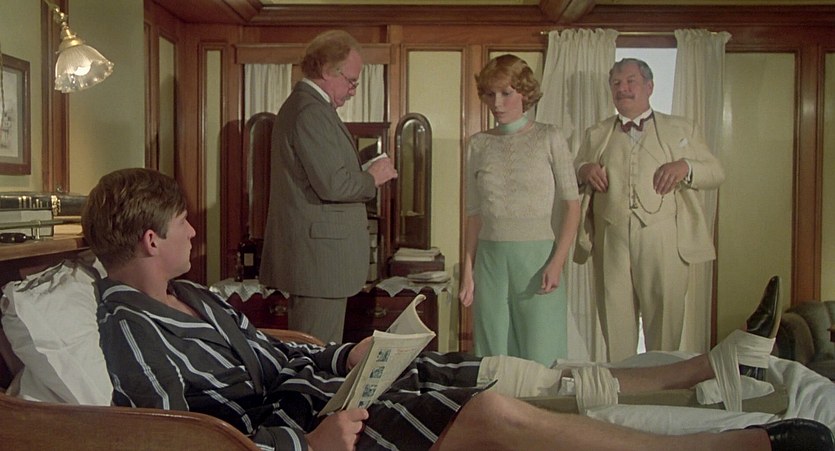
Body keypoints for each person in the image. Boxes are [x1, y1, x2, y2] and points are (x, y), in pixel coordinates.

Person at [84, 167, 833, 451]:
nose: (193, 230)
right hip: (315, 431)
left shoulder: (193, 295)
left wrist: (347, 354)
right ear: (150, 239)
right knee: (497, 410)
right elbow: (178, 441)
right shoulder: (131, 330)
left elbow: (278, 352)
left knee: (502, 372)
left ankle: (702, 369)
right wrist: (306, 444)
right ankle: (736, 445)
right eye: (182, 222)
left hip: (329, 393)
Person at [574, 58, 726, 363]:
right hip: (611, 237)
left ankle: (662, 383)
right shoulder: (596, 133)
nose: (623, 89)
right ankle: (622, 385)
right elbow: (573, 172)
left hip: (663, 237)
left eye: (630, 81)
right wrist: (584, 169)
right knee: (615, 322)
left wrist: (686, 166)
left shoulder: (681, 128)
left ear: (649, 86)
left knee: (665, 322)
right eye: (616, 83)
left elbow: (716, 172)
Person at [259, 30, 397, 343]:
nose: (353, 91)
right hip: (319, 263)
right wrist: (372, 177)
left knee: (320, 352)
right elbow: (333, 185)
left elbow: (322, 178)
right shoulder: (311, 111)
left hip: (319, 262)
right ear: (326, 70)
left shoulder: (311, 108)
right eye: (351, 81)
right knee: (316, 354)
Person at [458, 54, 580, 366]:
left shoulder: (549, 137)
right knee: (493, 356)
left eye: (506, 93)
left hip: (537, 259)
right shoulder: (478, 144)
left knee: (542, 354)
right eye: (490, 94)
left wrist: (557, 262)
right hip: (490, 261)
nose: (496, 103)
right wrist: (468, 272)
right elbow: (474, 214)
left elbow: (572, 206)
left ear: (524, 92)